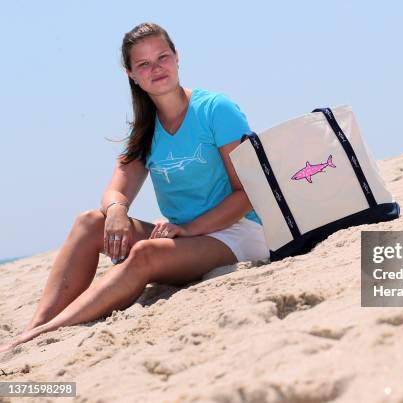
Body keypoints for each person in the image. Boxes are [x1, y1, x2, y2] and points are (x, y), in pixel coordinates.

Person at [0, 22, 268, 353]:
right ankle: (36, 326)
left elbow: (249, 193)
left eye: (162, 57)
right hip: (182, 238)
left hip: (236, 233)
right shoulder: (147, 129)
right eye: (143, 64)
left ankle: (48, 331)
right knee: (90, 222)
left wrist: (188, 229)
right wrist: (116, 210)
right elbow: (116, 190)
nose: (156, 68)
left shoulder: (216, 110)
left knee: (144, 252)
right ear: (131, 75)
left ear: (177, 58)